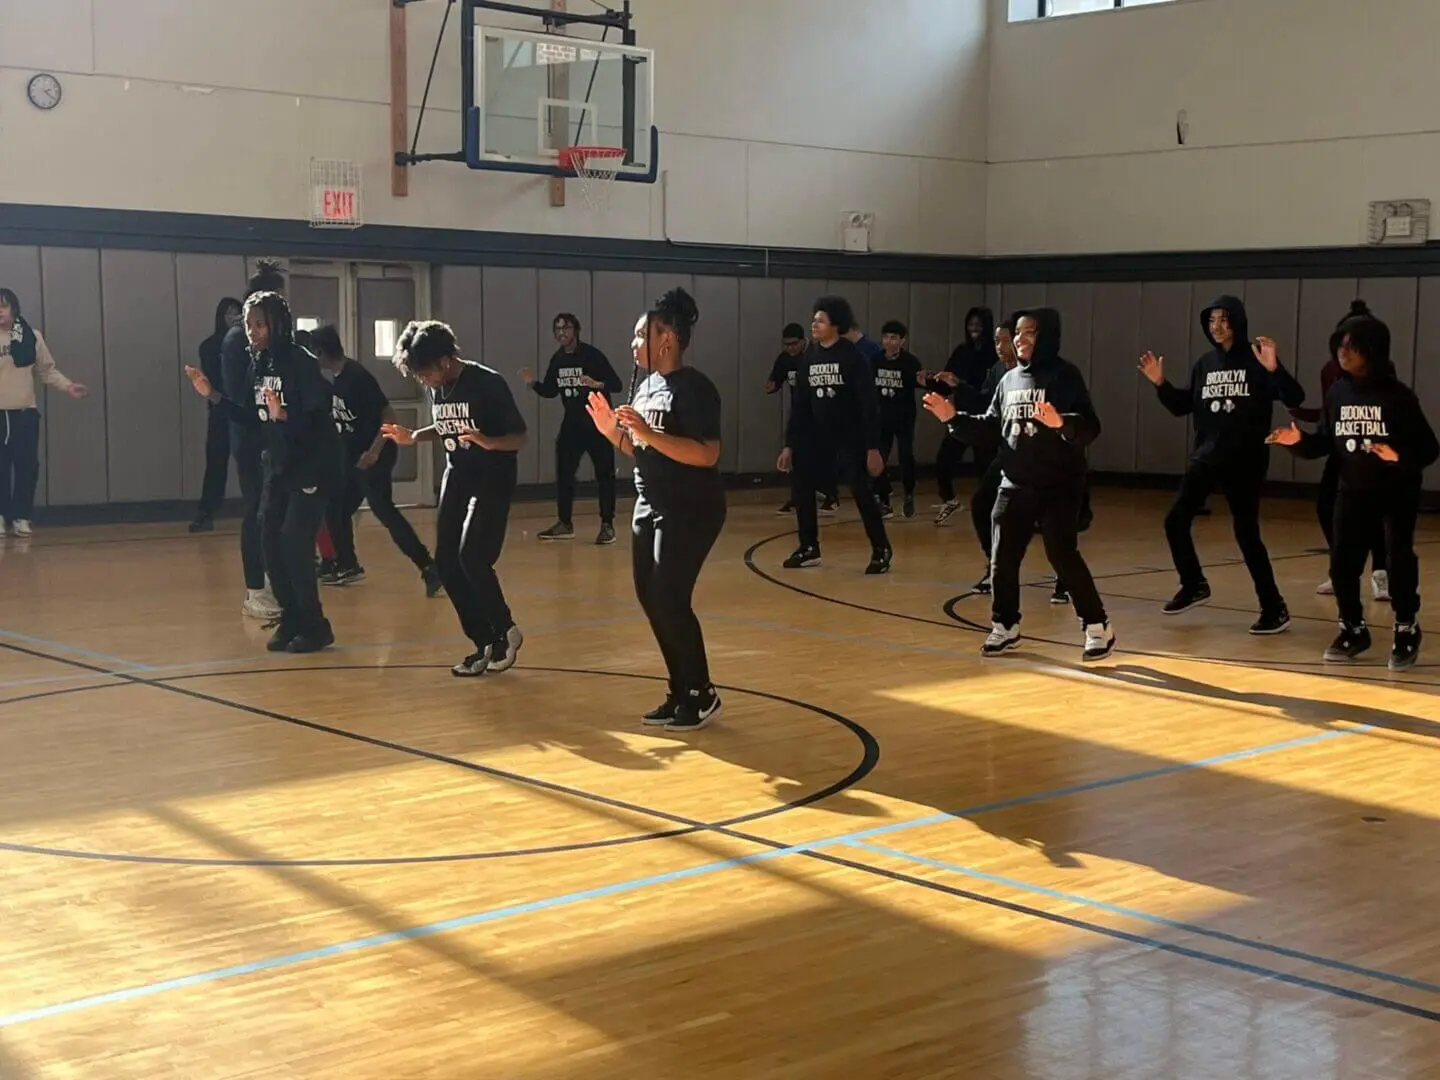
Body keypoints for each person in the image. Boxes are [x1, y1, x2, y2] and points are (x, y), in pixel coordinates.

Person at [924, 308, 1115, 663]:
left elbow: (1091, 426)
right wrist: (953, 420)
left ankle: (1097, 625)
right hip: (1014, 483)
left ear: (1046, 337)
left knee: (1062, 555)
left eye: (1029, 333)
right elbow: (990, 427)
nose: (1019, 339)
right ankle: (1005, 625)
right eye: (1018, 333)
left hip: (1059, 484)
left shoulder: (1064, 375)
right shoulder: (1008, 380)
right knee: (1002, 560)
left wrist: (1062, 422)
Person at [587, 288, 726, 731]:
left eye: (639, 336)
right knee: (651, 599)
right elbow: (642, 448)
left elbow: (706, 454)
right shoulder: (647, 386)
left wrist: (648, 431)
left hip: (691, 507)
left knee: (670, 598)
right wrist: (613, 432)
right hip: (650, 502)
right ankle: (680, 690)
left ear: (666, 339)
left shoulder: (697, 388)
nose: (632, 345)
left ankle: (702, 693)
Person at [1268, 313, 1437, 670]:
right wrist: (1297, 442)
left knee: (1398, 559)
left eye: (1353, 347)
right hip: (1352, 489)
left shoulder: (1398, 396)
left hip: (1396, 490)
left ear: (1371, 351)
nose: (1344, 354)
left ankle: (1406, 627)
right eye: (1340, 346)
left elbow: (1429, 448)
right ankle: (1353, 629)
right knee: (1342, 562)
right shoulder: (1338, 392)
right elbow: (1325, 443)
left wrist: (1398, 456)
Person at [185, 292, 343, 652]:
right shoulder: (259, 365)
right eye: (249, 324)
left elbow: (319, 419)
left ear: (278, 324)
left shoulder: (300, 363)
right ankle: (291, 618)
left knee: (294, 542)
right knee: (268, 539)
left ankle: (316, 625)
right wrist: (213, 395)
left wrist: (286, 417)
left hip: (311, 463)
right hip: (279, 463)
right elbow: (251, 417)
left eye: (260, 324)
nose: (253, 332)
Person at [1138, 295, 1304, 635]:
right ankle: (1194, 583)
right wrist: (1160, 383)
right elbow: (1182, 405)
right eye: (1212, 320)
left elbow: (1295, 397)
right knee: (1175, 521)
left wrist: (1275, 368)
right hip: (1207, 457)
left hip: (1245, 460)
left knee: (1247, 534)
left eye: (1224, 320)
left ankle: (1274, 608)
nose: (1218, 327)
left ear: (1238, 323)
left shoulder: (1257, 359)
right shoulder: (1204, 364)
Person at [384, 321, 527, 677]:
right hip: (458, 474)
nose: (424, 381)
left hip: (492, 477)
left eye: (426, 372)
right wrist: (414, 435)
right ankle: (483, 642)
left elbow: (519, 436)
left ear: (446, 360)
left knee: (473, 557)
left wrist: (490, 442)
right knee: (446, 562)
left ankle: (506, 631)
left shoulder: (487, 384)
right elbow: (448, 426)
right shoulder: (439, 388)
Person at [312, 326, 441, 596]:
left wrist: (373, 451)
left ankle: (428, 566)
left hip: (375, 456)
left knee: (384, 511)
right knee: (335, 508)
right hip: (354, 459)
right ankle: (347, 562)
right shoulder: (336, 379)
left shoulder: (356, 377)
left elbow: (389, 414)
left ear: (322, 352)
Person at [778, 295, 891, 574]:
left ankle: (881, 549)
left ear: (836, 324)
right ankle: (809, 547)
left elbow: (868, 405)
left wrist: (873, 447)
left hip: (849, 437)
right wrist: (789, 444)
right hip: (816, 438)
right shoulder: (810, 356)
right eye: (814, 319)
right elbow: (800, 404)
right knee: (802, 486)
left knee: (860, 491)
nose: (814, 324)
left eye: (820, 320)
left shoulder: (853, 357)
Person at [1289, 300, 1389, 601]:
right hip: (1341, 450)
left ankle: (1381, 574)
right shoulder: (1330, 373)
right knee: (1326, 506)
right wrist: (1301, 433)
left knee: (1374, 514)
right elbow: (1330, 417)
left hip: (1372, 453)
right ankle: (1340, 567)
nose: (1346, 350)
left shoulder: (1384, 375)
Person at [521, 313, 622, 545]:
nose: (561, 333)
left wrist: (597, 385)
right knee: (564, 474)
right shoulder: (557, 359)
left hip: (598, 423)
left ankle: (607, 525)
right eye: (557, 329)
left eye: (565, 328)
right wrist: (533, 384)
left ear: (576, 330)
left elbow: (616, 384)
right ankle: (564, 523)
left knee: (604, 475)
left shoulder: (592, 356)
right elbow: (550, 390)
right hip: (573, 424)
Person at [222, 261, 286, 620]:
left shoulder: (273, 343)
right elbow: (243, 401)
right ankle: (255, 590)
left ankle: (272, 581)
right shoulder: (239, 342)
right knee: (257, 513)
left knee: (272, 513)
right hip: (251, 439)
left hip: (269, 438)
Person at [0, 288, 88, 536]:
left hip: (24, 411)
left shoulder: (30, 336)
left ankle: (21, 516)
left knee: (27, 466)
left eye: (3, 306)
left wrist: (68, 386)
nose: (0, 311)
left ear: (13, 309)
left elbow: (47, 370)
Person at [924, 306, 996, 525]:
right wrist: (929, 381)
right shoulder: (961, 352)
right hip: (961, 417)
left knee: (985, 467)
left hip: (985, 419)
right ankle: (950, 500)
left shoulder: (994, 355)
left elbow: (986, 393)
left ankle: (992, 511)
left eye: (978, 325)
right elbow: (947, 384)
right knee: (944, 461)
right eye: (970, 324)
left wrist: (960, 384)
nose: (974, 329)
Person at [766, 323, 838, 515]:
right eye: (786, 344)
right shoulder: (784, 359)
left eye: (794, 344)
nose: (790, 348)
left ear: (803, 340)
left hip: (821, 410)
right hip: (800, 411)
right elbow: (774, 382)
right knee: (797, 454)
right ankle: (798, 497)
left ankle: (832, 496)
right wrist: (771, 386)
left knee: (823, 454)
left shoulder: (814, 355)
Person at [190, 296, 242, 533]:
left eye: (237, 312)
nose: (233, 317)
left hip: (244, 412)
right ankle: (206, 512)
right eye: (229, 313)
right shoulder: (210, 345)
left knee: (253, 464)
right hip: (220, 411)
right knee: (216, 464)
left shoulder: (247, 345)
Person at [871, 320, 921, 519]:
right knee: (879, 457)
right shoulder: (875, 361)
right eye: (886, 337)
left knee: (905, 456)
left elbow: (921, 382)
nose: (889, 342)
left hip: (904, 417)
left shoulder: (910, 362)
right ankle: (884, 500)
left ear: (902, 341)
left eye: (894, 338)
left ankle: (908, 494)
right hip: (882, 418)